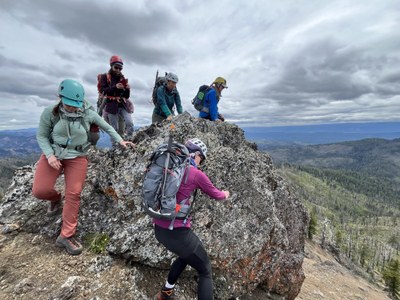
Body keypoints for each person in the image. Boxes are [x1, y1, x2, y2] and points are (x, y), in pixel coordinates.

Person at [32, 79, 135, 256]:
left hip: (78, 156)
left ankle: (66, 236)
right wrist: (49, 155)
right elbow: (41, 136)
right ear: (60, 97)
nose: (73, 108)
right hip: (54, 154)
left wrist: (120, 140)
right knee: (40, 191)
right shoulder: (50, 113)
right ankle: (55, 199)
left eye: (76, 105)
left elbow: (107, 126)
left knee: (74, 193)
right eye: (69, 104)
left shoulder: (87, 112)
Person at [153, 138, 230, 300]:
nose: (201, 162)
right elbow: (217, 195)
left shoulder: (169, 166)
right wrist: (226, 193)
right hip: (177, 233)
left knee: (186, 256)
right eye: (201, 157)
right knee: (205, 270)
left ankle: (165, 293)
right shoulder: (195, 174)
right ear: (195, 155)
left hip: (159, 229)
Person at [99, 55, 134, 137]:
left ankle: (130, 139)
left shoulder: (122, 78)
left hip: (122, 105)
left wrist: (127, 89)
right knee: (114, 129)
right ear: (111, 66)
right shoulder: (104, 77)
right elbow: (103, 90)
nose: (118, 70)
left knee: (130, 123)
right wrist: (115, 87)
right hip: (111, 106)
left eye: (120, 68)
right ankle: (115, 147)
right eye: (116, 67)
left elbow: (126, 96)